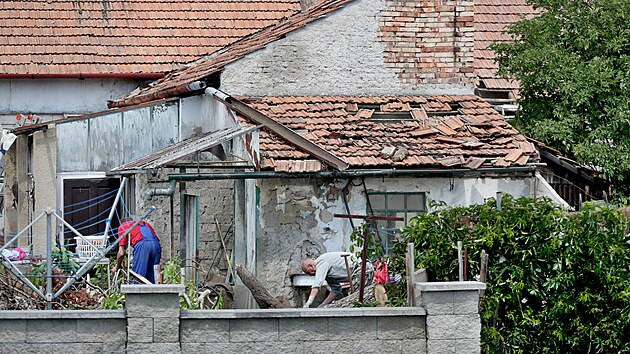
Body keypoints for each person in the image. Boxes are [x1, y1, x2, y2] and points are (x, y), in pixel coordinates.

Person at [112, 219, 162, 284]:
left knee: (138, 277)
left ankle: (136, 293)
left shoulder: (123, 226)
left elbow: (121, 253)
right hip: (156, 245)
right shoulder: (145, 224)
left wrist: (117, 267)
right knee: (154, 276)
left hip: (143, 246)